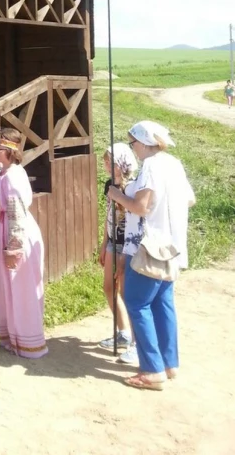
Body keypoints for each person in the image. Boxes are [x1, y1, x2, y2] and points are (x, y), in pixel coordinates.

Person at [108, 120, 195, 390]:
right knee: (162, 304)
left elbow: (142, 207)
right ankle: (169, 364)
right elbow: (189, 199)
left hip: (148, 246)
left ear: (144, 142)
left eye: (133, 142)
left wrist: (117, 195)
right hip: (172, 245)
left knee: (137, 303)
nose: (133, 148)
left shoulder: (151, 167)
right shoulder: (174, 164)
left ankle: (152, 370)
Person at [0, 128, 48, 359]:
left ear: (7, 151)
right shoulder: (4, 173)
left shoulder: (13, 175)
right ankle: (13, 338)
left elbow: (16, 212)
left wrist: (13, 247)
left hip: (16, 233)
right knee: (7, 289)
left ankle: (28, 340)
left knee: (20, 288)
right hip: (3, 229)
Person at [97, 143, 138, 365]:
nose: (105, 165)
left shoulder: (132, 187)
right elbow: (108, 214)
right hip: (113, 241)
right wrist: (104, 242)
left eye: (109, 161)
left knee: (125, 292)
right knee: (108, 287)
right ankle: (123, 332)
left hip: (128, 244)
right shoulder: (109, 185)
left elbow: (133, 216)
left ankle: (134, 339)